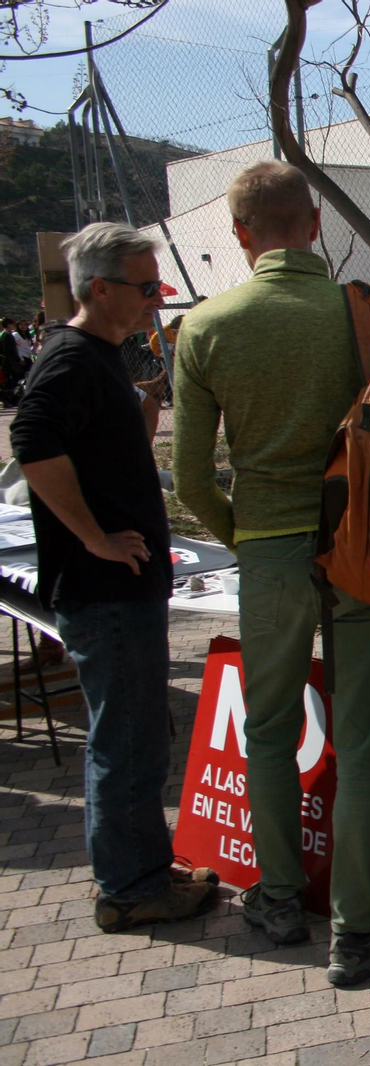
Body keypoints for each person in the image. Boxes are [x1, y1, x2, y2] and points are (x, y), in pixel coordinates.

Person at [173, 160, 370, 986]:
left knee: (270, 732)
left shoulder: (205, 328)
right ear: (315, 223)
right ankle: (358, 928)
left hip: (268, 555)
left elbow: (192, 480)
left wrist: (246, 538)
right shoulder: (366, 309)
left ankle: (276, 897)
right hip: (362, 547)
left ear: (240, 234)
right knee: (360, 739)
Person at [9, 221, 217, 933]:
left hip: (123, 588)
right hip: (105, 592)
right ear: (99, 289)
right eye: (143, 287)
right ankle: (131, 889)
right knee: (127, 740)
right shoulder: (70, 357)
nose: (153, 301)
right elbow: (32, 440)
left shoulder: (95, 355)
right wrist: (93, 536)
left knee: (131, 736)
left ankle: (142, 869)